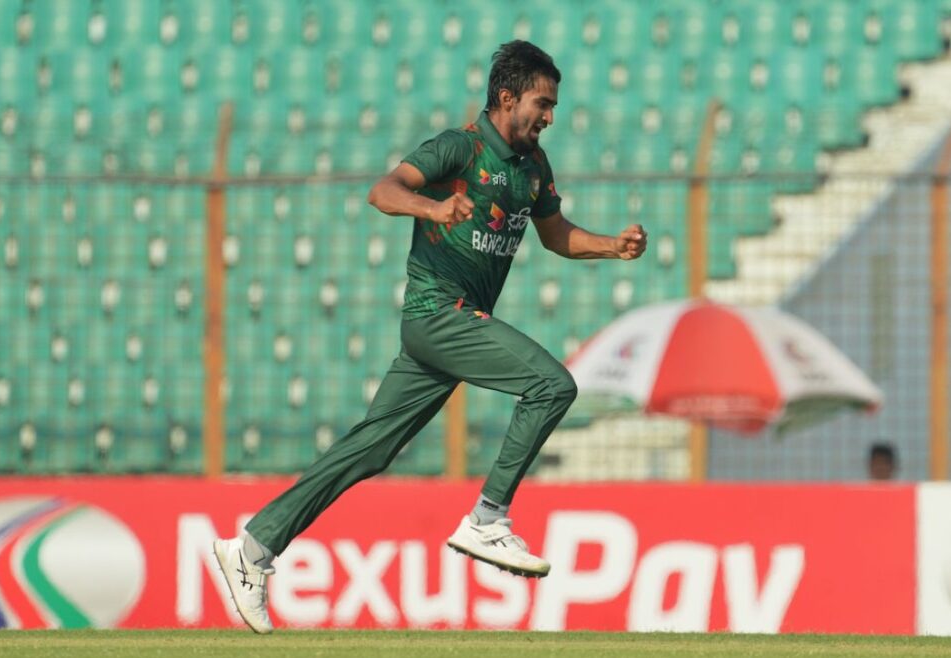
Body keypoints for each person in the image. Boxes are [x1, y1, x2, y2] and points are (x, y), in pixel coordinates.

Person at [212, 40, 648, 634]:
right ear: (507, 97)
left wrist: (611, 246)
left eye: (552, 106)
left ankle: (252, 547)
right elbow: (383, 191)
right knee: (552, 385)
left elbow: (555, 235)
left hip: (447, 329)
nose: (549, 116)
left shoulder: (533, 167)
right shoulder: (459, 147)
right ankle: (488, 517)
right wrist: (433, 209)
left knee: (371, 449)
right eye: (542, 104)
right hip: (439, 313)